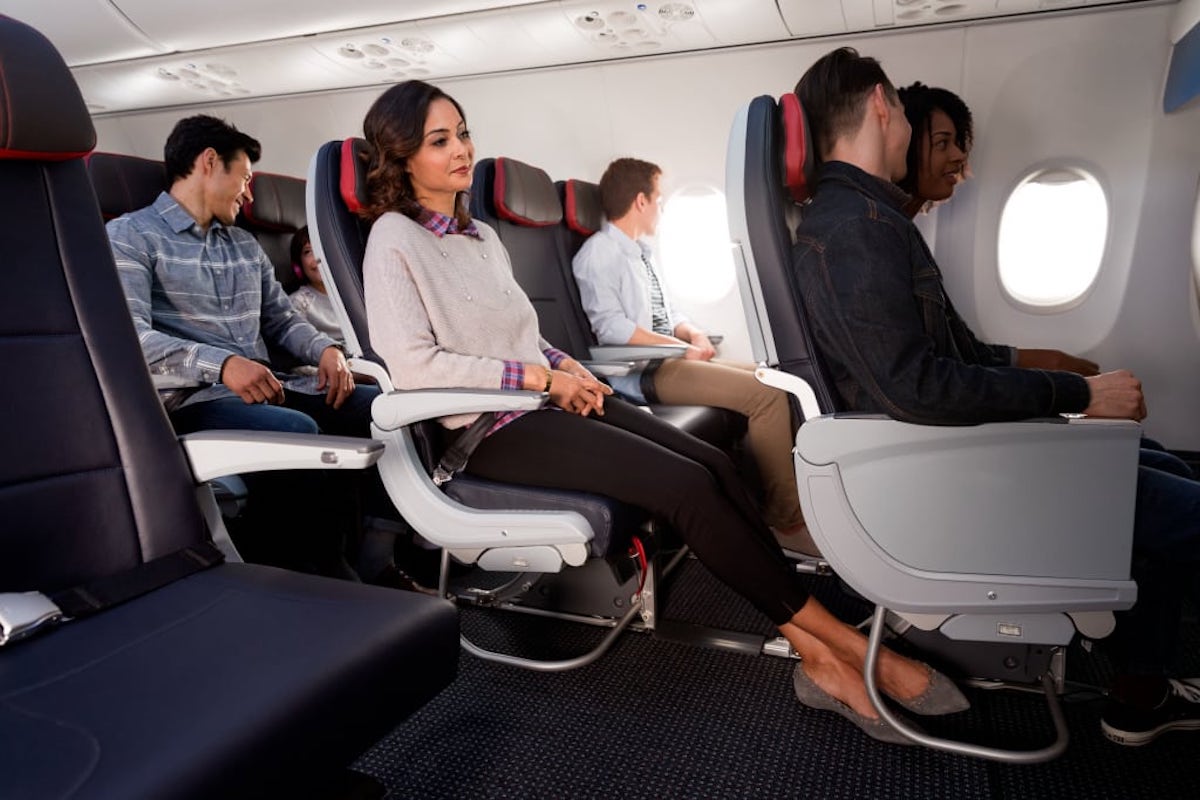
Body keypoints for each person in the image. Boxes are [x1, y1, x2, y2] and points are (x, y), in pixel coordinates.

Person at [358, 78, 971, 744]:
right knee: (682, 487)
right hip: (482, 432)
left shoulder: (479, 237)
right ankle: (835, 650)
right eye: (439, 140)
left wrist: (567, 369)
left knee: (709, 461)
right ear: (401, 156)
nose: (460, 149)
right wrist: (540, 377)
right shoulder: (393, 240)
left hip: (538, 399)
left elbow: (521, 333)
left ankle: (820, 646)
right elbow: (413, 366)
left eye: (464, 132)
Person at [792, 46, 1200, 746]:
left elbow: (960, 357)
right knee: (1187, 511)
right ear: (882, 105)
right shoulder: (856, 231)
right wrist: (1078, 392)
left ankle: (1140, 687)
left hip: (952, 454)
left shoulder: (874, 220)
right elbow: (916, 387)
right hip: (946, 474)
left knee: (1164, 468)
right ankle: (1141, 688)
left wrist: (1075, 399)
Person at [107, 114, 415, 588]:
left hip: (268, 386)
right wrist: (223, 365)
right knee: (296, 430)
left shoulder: (244, 247)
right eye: (245, 178)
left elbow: (281, 320)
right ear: (209, 163)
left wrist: (328, 352)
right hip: (192, 402)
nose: (248, 194)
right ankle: (306, 575)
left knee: (376, 410)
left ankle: (375, 555)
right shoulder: (131, 236)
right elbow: (129, 339)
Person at [897, 81, 1194, 479]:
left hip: (976, 427)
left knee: (1161, 458)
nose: (959, 156)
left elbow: (966, 354)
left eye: (958, 142)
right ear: (905, 144)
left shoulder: (905, 235)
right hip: (964, 446)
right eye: (943, 143)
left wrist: (1054, 365)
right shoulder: (879, 240)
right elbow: (932, 384)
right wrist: (1075, 393)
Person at [572, 157, 811, 552]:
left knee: (776, 377)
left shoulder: (641, 253)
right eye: (660, 200)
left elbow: (669, 313)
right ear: (641, 201)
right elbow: (612, 328)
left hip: (670, 358)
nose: (662, 209)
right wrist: (681, 348)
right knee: (766, 396)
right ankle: (785, 522)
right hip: (643, 371)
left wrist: (694, 334)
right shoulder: (599, 254)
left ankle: (773, 500)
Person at [288, 225, 344, 342]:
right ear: (298, 266)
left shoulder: (353, 293)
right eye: (308, 252)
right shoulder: (299, 303)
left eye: (322, 248)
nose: (317, 258)